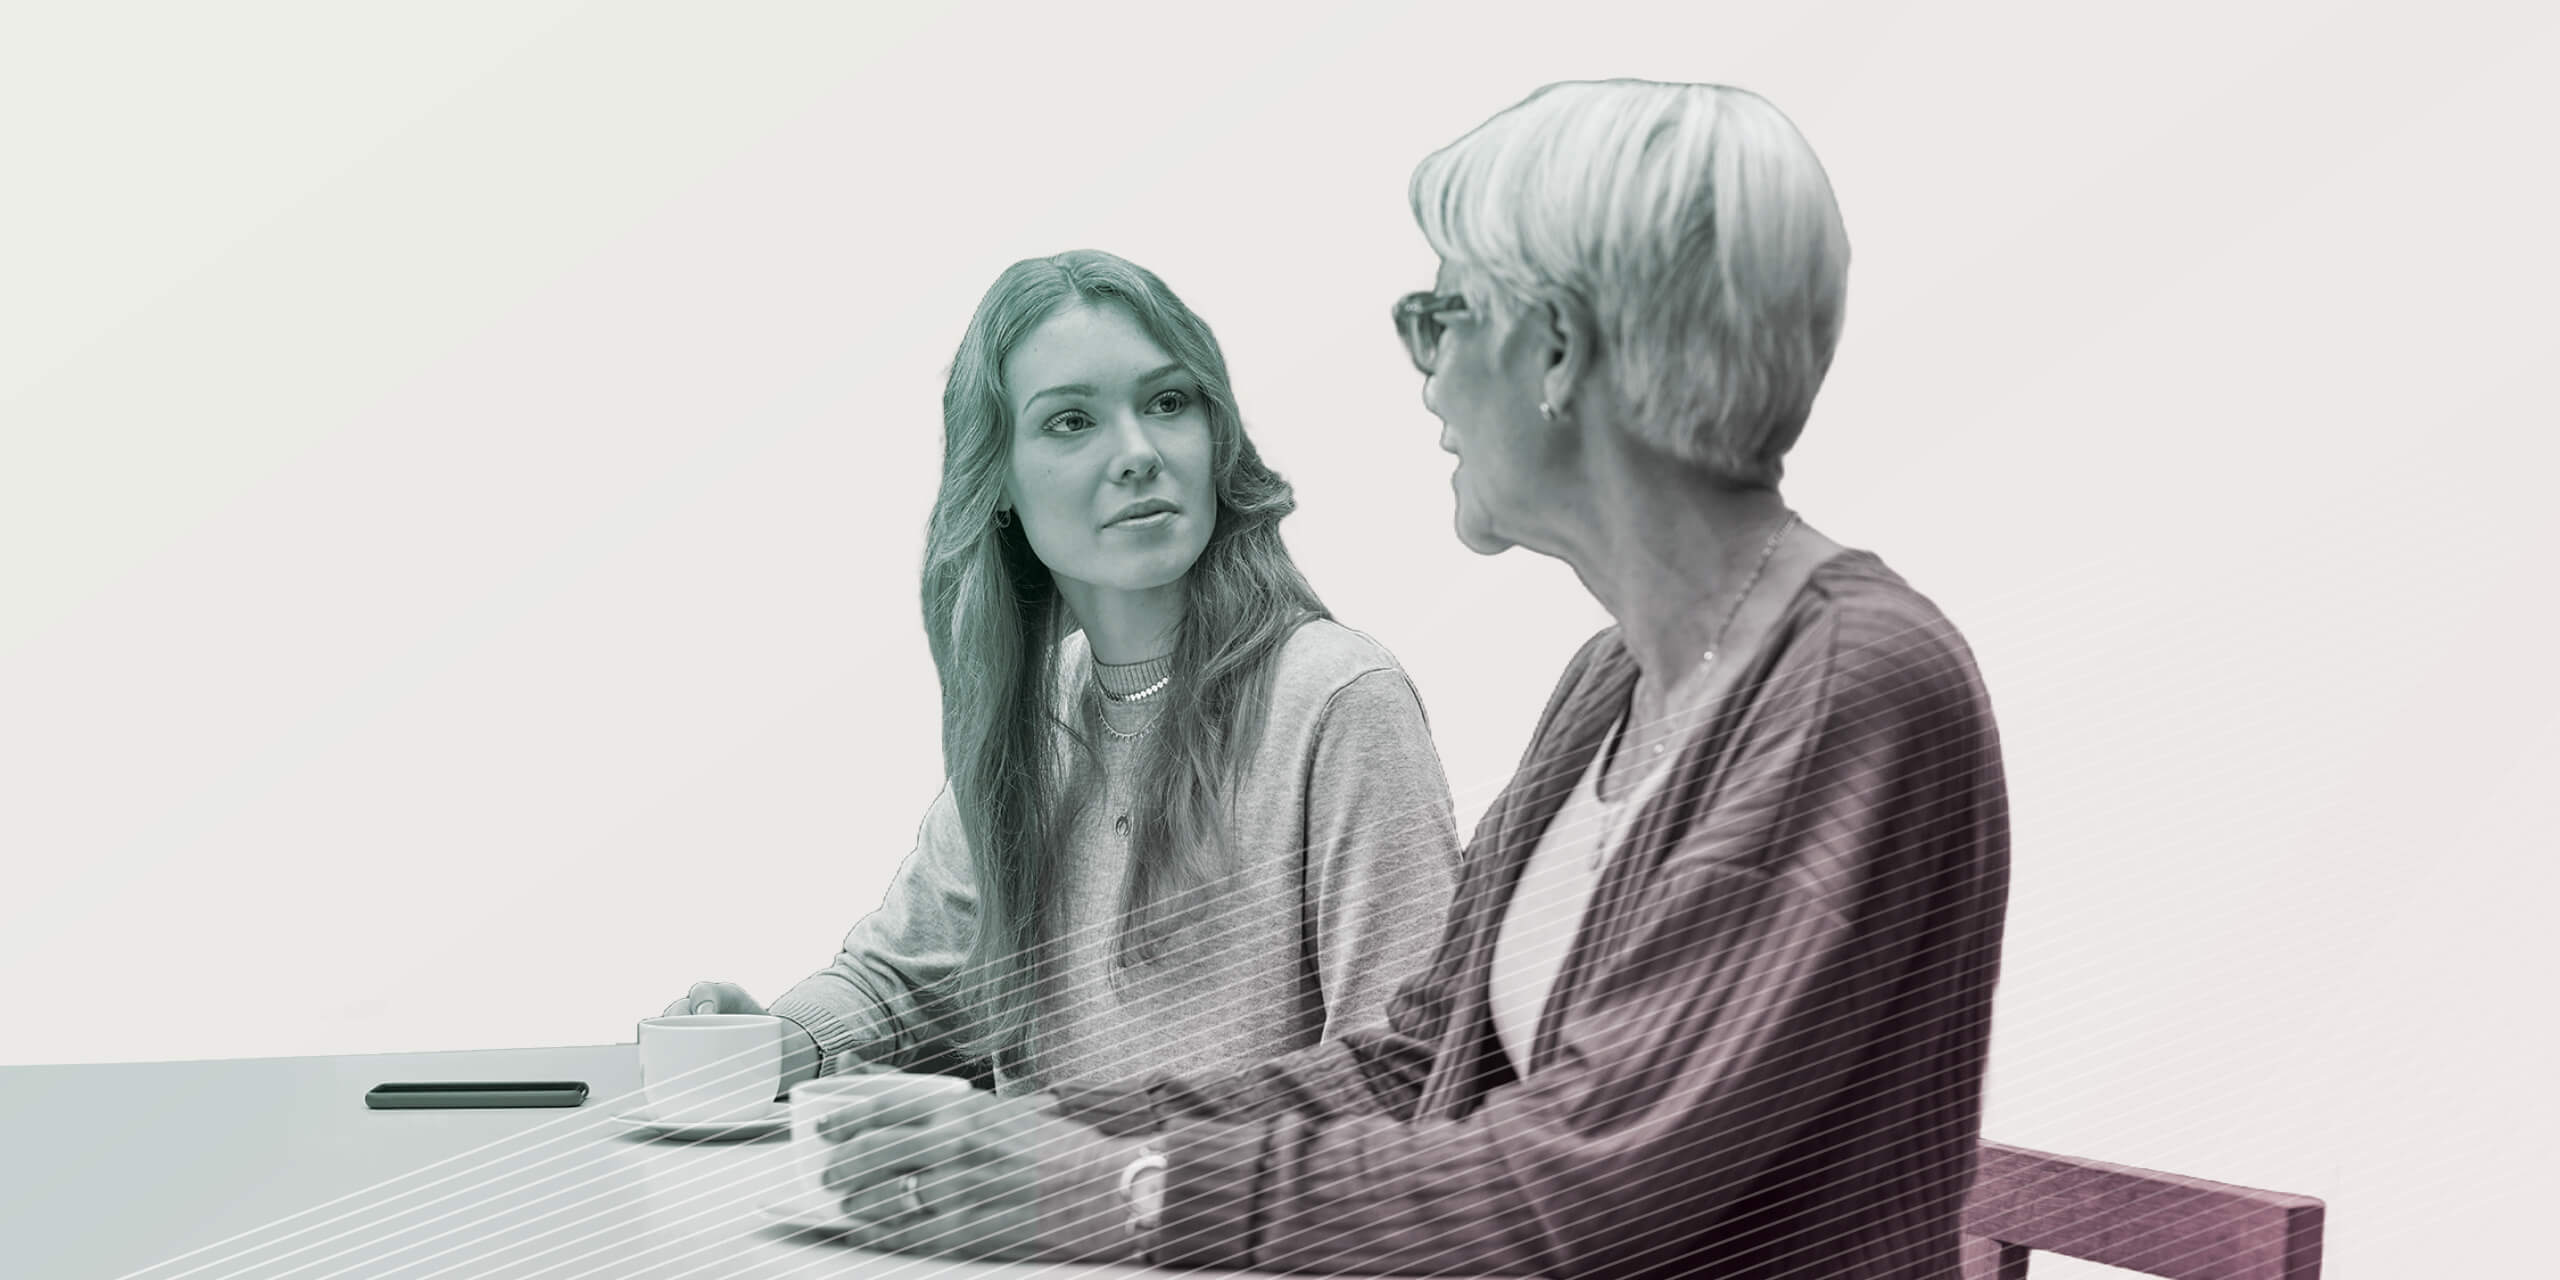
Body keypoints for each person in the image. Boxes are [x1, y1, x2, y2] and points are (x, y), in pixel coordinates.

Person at [812, 81, 2012, 1280]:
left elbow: (1575, 1191)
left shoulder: (1854, 690)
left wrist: (1117, 1191)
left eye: (1443, 315)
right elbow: (1414, 1065)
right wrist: (1052, 1138)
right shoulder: (1611, 681)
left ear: (1558, 346)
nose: (1425, 372)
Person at [666, 250, 1462, 1102]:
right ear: (997, 479)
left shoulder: (1337, 699)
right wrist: (777, 1042)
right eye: (1071, 421)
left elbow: (1402, 1080)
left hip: (1216, 1229)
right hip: (1040, 1231)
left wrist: (1063, 1165)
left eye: (1167, 403)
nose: (1137, 453)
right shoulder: (1045, 711)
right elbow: (900, 984)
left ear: (1216, 433)